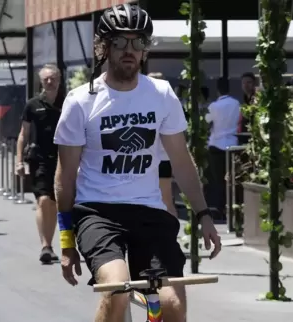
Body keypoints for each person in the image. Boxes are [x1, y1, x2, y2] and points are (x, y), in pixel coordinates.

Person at [53, 4, 221, 322]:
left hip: (149, 213)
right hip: (97, 213)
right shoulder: (80, 100)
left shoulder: (161, 94)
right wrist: (66, 242)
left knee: (170, 306)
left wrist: (204, 215)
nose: (129, 50)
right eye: (120, 42)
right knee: (117, 290)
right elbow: (65, 177)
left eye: (138, 42)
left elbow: (182, 162)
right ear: (104, 47)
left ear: (145, 49)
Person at [16, 64, 62, 264]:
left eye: (52, 78)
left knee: (54, 203)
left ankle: (51, 244)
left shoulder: (68, 102)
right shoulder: (33, 104)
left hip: (62, 159)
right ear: (41, 81)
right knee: (43, 201)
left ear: (59, 79)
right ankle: (46, 245)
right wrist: (18, 161)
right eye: (46, 79)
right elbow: (23, 135)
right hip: (39, 159)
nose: (49, 82)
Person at [204, 77, 240, 216]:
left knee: (218, 179)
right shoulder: (236, 103)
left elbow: (207, 121)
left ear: (218, 90)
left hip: (216, 144)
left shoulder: (214, 106)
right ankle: (231, 207)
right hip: (232, 144)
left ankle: (220, 207)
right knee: (231, 178)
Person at [148, 72, 178, 216]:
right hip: (161, 158)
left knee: (162, 201)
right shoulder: (168, 103)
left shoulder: (147, 104)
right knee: (166, 201)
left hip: (154, 159)